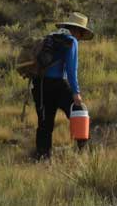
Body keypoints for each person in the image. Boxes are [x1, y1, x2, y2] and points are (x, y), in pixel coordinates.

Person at [31, 12, 93, 160]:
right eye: (81, 33)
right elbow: (72, 70)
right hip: (58, 84)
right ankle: (83, 151)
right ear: (78, 30)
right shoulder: (71, 41)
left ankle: (42, 156)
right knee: (78, 113)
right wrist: (76, 92)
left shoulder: (50, 38)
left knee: (45, 123)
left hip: (39, 84)